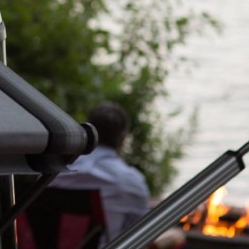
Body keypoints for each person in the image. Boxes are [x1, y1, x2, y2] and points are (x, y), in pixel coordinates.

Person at [53, 102, 183, 249]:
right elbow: (145, 235)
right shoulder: (128, 181)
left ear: (87, 131)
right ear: (122, 139)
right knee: (175, 235)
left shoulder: (54, 172)